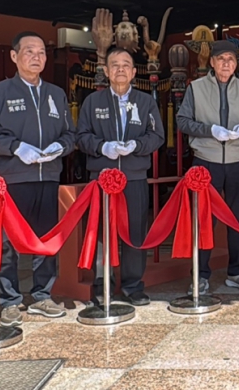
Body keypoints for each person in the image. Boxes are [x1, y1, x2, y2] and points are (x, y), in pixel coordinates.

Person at [0, 31, 76, 326]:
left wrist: (61, 147)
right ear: (15, 56)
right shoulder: (0, 93)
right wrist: (15, 147)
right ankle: (9, 301)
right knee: (7, 244)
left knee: (45, 240)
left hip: (48, 178)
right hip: (12, 180)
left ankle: (42, 296)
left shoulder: (56, 94)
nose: (36, 57)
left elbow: (71, 134)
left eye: (42, 52)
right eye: (29, 51)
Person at [76, 47, 165, 306]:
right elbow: (81, 136)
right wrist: (103, 147)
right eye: (115, 65)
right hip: (101, 178)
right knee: (103, 232)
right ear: (105, 70)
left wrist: (137, 146)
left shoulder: (146, 101)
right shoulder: (92, 102)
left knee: (136, 233)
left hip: (135, 176)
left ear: (135, 72)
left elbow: (157, 135)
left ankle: (133, 286)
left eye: (126, 65)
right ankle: (103, 284)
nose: (121, 69)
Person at [177, 40, 239, 294]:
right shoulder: (196, 89)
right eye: (221, 59)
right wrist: (209, 131)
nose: (226, 63)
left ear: (237, 64)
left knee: (237, 219)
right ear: (211, 62)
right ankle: (200, 275)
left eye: (231, 59)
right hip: (207, 161)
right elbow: (182, 121)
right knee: (204, 220)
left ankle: (237, 271)